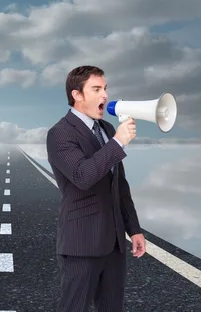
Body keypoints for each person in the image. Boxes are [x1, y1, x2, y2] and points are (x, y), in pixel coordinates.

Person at [46, 65, 146, 312]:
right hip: (82, 243)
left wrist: (133, 229)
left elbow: (119, 184)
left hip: (114, 243)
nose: (105, 95)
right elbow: (82, 176)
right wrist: (118, 143)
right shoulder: (60, 134)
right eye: (96, 89)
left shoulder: (107, 130)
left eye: (105, 89)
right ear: (77, 95)